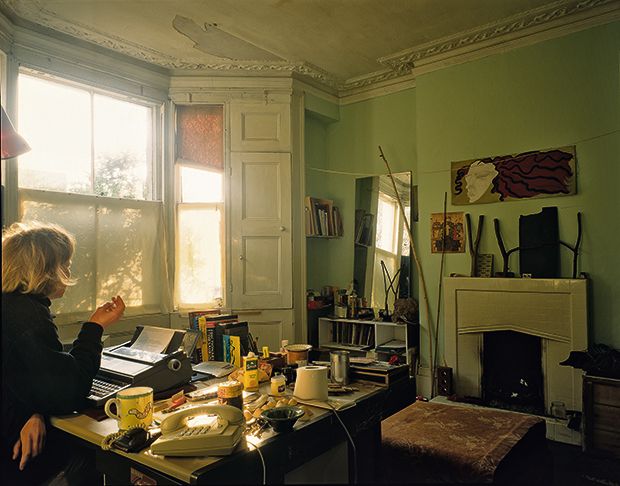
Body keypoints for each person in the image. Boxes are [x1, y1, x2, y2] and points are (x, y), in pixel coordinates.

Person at [1, 221, 126, 485]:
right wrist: (95, 327)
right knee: (95, 452)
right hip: (14, 456)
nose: (69, 270)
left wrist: (31, 412)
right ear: (45, 270)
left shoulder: (11, 305)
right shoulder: (28, 318)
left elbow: (18, 374)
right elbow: (69, 390)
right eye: (65, 263)